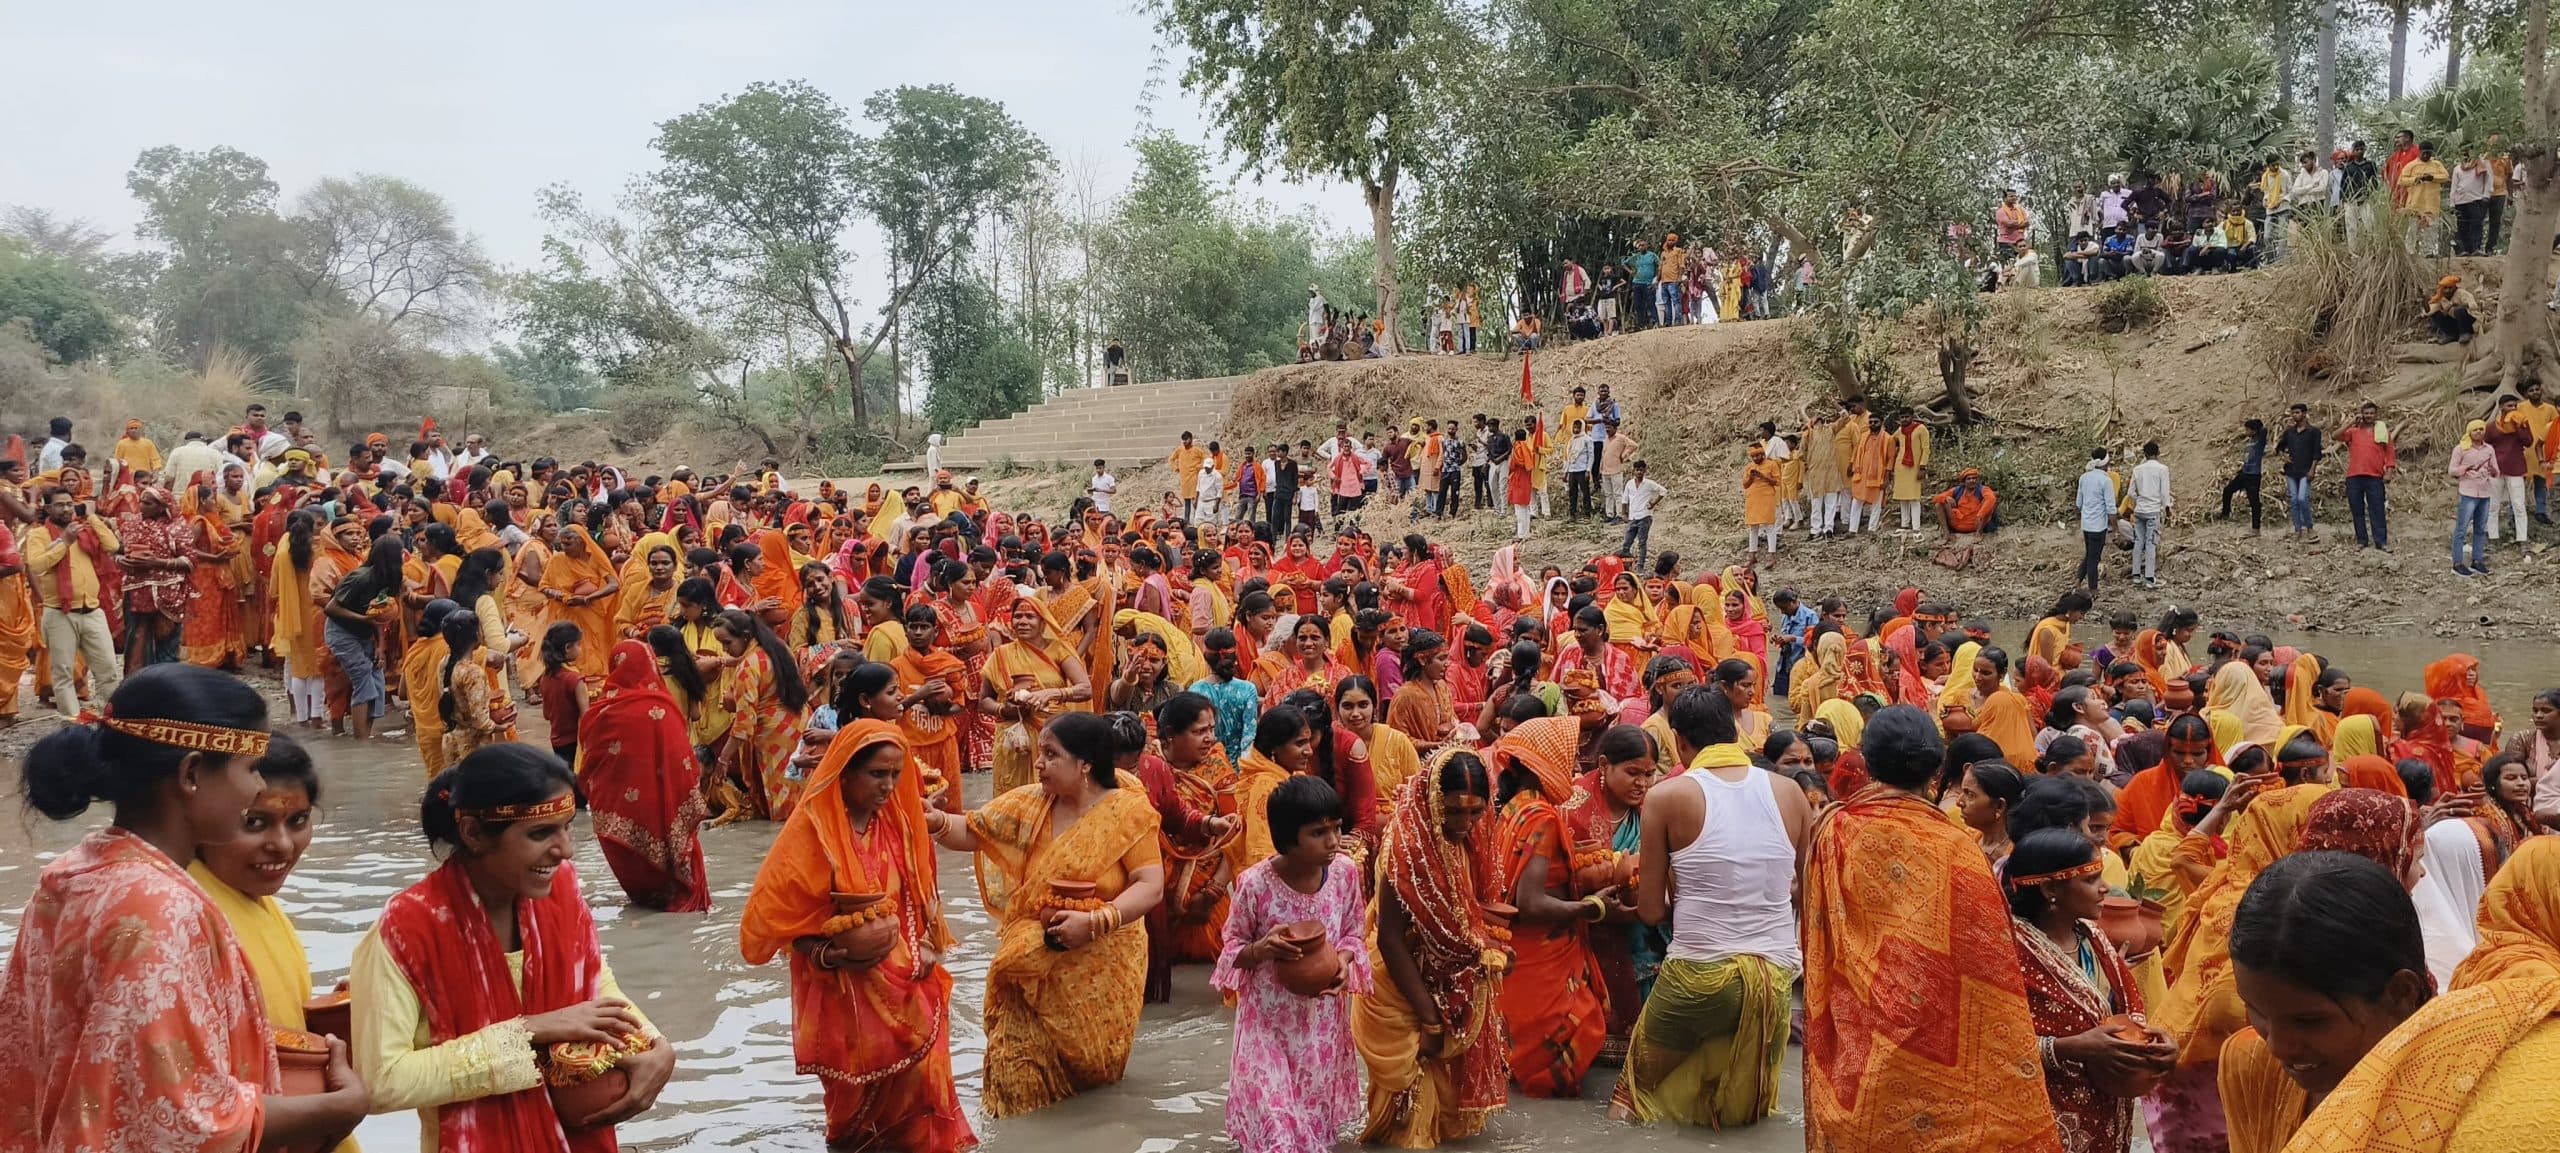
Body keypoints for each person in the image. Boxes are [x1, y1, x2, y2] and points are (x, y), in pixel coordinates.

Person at [1, 667, 371, 1151]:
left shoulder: (73, 873)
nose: (256, 788)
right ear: (192, 774)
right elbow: (181, 1122)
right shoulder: (162, 910)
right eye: (249, 768)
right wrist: (339, 1107)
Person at [353, 744, 675, 1148]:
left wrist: (654, 1044)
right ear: (473, 833)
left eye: (567, 826)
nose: (565, 850)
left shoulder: (562, 889)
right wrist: (531, 1031)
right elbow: (381, 1082)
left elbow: (594, 982)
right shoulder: (404, 929)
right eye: (541, 833)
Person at [1800, 704, 2058, 1151]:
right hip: (1946, 1073)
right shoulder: (1958, 846)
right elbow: (1993, 970)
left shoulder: (1835, 830)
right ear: (1938, 770)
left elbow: (1816, 938)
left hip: (1862, 1055)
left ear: (1867, 759)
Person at [739, 719, 976, 1150]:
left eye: (894, 774)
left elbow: (920, 896)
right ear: (845, 772)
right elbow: (780, 922)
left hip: (906, 979)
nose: (888, 786)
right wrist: (831, 956)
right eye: (876, 774)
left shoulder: (901, 824)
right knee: (850, 1117)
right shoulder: (812, 832)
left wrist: (924, 946)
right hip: (840, 988)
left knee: (921, 1091)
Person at [925, 712, 1165, 1116]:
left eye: (1051, 755)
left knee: (1093, 1076)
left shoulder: (1128, 812)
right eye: (1040, 754)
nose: (1038, 764)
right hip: (1030, 964)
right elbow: (973, 830)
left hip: (1103, 966)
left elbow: (1149, 884)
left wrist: (1094, 923)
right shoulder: (1031, 803)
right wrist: (934, 822)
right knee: (1013, 1074)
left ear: (1085, 763)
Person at [1615, 687, 1809, 1128]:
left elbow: (1650, 912)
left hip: (1698, 971)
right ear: (1734, 730)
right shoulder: (1792, 793)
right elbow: (1806, 891)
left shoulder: (1666, 796)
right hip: (1774, 977)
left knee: (1632, 1098)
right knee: (1742, 1112)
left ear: (1679, 741)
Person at [2217, 851, 2434, 1153]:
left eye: (2309, 1021)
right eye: (2256, 1010)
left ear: (2401, 994)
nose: (2277, 1047)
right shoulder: (2251, 1065)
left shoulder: (2448, 1099)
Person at [1353, 752, 1509, 1145]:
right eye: (1455, 811)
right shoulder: (1405, 850)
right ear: (1433, 800)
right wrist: (1430, 1020)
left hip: (1444, 982)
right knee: (1408, 1121)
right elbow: (1390, 940)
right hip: (1402, 987)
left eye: (1475, 812)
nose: (1465, 823)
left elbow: (1465, 911)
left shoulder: (1467, 841)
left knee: (1444, 1114)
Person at [1214, 774, 1372, 1153]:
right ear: (1286, 838)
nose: (1334, 841)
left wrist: (1343, 964)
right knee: (1278, 1129)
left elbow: (1354, 931)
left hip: (1319, 1027)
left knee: (1312, 1131)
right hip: (1265, 1025)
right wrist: (1262, 950)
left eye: (1336, 828)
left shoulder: (1344, 873)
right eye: (1318, 832)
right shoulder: (1254, 884)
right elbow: (1231, 947)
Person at [2006, 827, 2175, 1153]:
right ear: (2050, 889)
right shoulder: (2010, 953)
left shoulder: (2093, 937)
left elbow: (2125, 1012)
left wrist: (2154, 1043)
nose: (2105, 888)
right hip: (2045, 1120)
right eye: (2090, 880)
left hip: (2106, 1116)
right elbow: (1993, 1046)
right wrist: (2072, 1047)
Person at [1488, 715, 1619, 1097]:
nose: (1576, 763)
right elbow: (1530, 901)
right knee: (1583, 1024)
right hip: (1542, 950)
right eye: (1570, 754)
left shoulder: (1515, 807)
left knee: (1524, 1047)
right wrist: (1590, 907)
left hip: (1522, 951)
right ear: (1544, 761)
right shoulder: (1542, 816)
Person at [580, 638, 711, 911]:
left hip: (623, 808)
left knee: (638, 877)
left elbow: (589, 762)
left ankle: (647, 900)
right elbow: (685, 760)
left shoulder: (601, 712)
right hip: (666, 802)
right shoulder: (665, 709)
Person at [26, 485, 124, 714]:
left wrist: (91, 517)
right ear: (48, 507)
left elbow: (113, 546)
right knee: (62, 672)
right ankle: (71, 722)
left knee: (108, 669)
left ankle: (111, 719)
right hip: (59, 612)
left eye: (69, 504)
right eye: (60, 505)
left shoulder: (85, 530)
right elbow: (38, 565)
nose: (66, 509)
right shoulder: (38, 534)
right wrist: (65, 542)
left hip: (92, 611)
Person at [2335, 400, 2395, 550]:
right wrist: (2350, 423)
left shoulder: (2382, 432)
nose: (2368, 416)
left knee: (2377, 510)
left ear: (2376, 415)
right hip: (2354, 476)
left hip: (2375, 476)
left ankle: (2381, 542)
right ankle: (2361, 541)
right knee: (2357, 510)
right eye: (2366, 413)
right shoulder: (2353, 432)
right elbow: (2335, 436)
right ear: (2362, 414)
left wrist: (2389, 471)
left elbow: (2390, 453)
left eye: (2371, 413)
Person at [2276, 403, 2322, 537]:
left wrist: (2313, 469)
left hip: (2306, 470)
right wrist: (2283, 456)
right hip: (2291, 470)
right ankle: (2297, 529)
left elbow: (2316, 453)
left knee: (2302, 498)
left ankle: (2309, 527)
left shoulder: (2313, 432)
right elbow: (2279, 447)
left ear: (2304, 413)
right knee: (2294, 500)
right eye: (2293, 413)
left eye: (2297, 412)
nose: (2295, 415)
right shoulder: (2289, 432)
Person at [2128, 440, 2170, 588]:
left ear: (2144, 454)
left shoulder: (2137, 469)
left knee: (2138, 542)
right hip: (2153, 511)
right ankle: (2150, 577)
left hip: (2139, 510)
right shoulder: (2162, 469)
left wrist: (2138, 502)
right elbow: (2164, 493)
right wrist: (2167, 508)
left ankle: (2136, 575)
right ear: (2158, 453)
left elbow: (2131, 493)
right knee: (2151, 542)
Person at [2075, 448, 2116, 592]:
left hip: (2086, 525)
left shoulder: (2084, 478)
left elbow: (2078, 503)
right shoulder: (2106, 480)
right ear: (2106, 462)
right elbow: (2111, 508)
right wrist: (2115, 528)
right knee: (2094, 558)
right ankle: (2093, 589)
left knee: (2089, 554)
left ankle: (2078, 580)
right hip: (2098, 527)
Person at [1618, 460, 1667, 570]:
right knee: (1627, 543)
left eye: (1641, 470)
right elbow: (1625, 499)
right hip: (1633, 517)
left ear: (1645, 471)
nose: (1639, 472)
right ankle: (1625, 566)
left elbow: (1663, 491)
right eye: (1637, 470)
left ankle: (1640, 567)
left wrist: (1653, 503)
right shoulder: (1630, 484)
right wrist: (1624, 513)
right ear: (1633, 471)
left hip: (1644, 516)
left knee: (1642, 543)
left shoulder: (1649, 484)